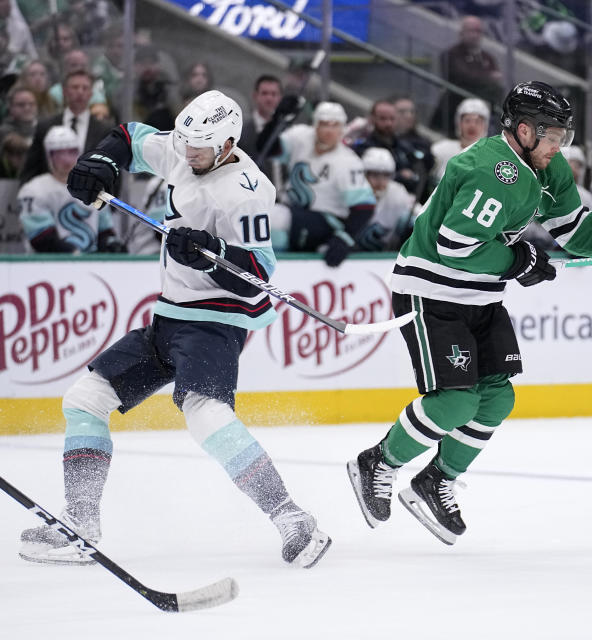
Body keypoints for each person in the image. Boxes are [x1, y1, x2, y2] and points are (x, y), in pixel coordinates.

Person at [345, 81, 592, 545]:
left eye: (563, 135)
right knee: (457, 401)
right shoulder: (492, 171)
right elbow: (454, 246)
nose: (559, 145)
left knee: (497, 398)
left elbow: (575, 228)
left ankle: (434, 481)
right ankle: (378, 462)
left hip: (481, 295)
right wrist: (516, 261)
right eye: (553, 135)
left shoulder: (547, 165)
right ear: (525, 130)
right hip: (432, 292)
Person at [18, 90, 330, 569]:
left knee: (205, 415)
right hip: (170, 315)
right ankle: (80, 522)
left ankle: (292, 517)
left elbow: (258, 278)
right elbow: (129, 136)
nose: (186, 153)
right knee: (84, 400)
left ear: (227, 144)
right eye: (184, 142)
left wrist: (210, 251)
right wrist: (101, 161)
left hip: (214, 321)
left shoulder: (245, 192)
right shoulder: (189, 145)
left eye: (199, 147)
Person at [274, 101, 376, 265]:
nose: (329, 130)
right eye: (324, 124)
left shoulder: (348, 161)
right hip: (295, 212)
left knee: (274, 219)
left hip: (325, 222)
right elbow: (269, 148)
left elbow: (365, 208)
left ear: (342, 129)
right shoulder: (301, 137)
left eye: (335, 125)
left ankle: (267, 268)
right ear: (315, 125)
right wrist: (278, 120)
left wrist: (345, 238)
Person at [17, 125, 124, 253]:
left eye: (72, 152)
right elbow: (41, 238)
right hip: (48, 267)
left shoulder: (95, 187)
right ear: (49, 156)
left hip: (90, 266)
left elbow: (105, 231)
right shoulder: (34, 190)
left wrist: (112, 245)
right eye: (59, 153)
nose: (67, 160)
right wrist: (74, 255)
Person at [20, 69, 112, 183]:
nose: (80, 92)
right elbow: (31, 168)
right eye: (75, 87)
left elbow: (111, 172)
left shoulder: (104, 130)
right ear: (64, 91)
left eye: (85, 88)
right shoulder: (45, 126)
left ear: (91, 93)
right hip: (50, 195)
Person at [430, 16, 504, 136]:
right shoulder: (451, 54)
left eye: (478, 31)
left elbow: (496, 79)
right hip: (454, 107)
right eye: (471, 30)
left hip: (483, 110)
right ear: (461, 33)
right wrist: (487, 77)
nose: (475, 35)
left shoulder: (488, 57)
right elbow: (462, 77)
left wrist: (484, 78)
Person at [356, 147, 416, 252]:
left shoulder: (397, 191)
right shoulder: (353, 191)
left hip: (386, 255)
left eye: (386, 175)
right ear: (364, 174)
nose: (380, 182)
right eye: (374, 175)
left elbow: (417, 214)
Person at [430, 97, 491, 184]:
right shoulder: (441, 149)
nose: (472, 125)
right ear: (459, 123)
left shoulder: (490, 158)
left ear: (485, 126)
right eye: (467, 120)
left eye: (477, 121)